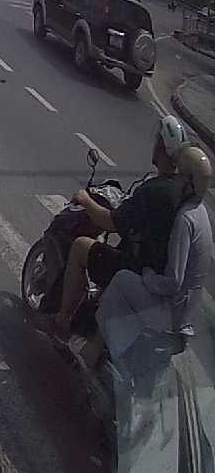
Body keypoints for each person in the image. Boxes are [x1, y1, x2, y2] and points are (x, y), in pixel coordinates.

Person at [51, 116, 188, 337]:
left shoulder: (154, 190)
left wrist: (85, 200)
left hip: (135, 267)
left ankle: (62, 321)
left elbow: (110, 222)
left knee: (80, 247)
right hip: (158, 270)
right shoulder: (180, 190)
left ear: (162, 149)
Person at [90, 145, 213, 369]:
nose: (175, 181)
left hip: (169, 314)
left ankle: (93, 351)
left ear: (188, 183)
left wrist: (148, 277)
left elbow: (173, 281)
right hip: (185, 316)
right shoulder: (200, 213)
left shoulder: (185, 219)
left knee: (121, 279)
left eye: (179, 176)